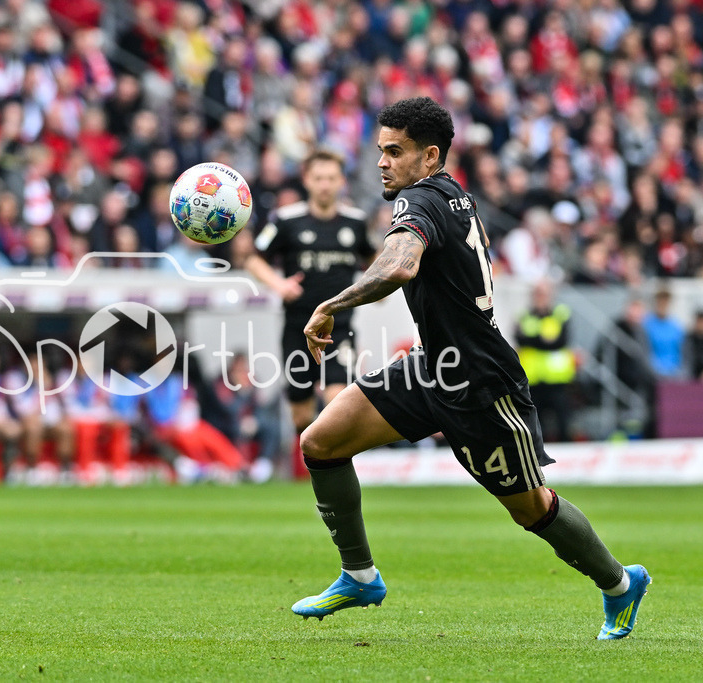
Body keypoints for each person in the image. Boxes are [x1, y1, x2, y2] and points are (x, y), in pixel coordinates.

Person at [295, 97, 648, 640]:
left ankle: (621, 585)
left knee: (532, 509)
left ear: (429, 156)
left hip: (482, 385)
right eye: (380, 151)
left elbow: (400, 264)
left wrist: (332, 305)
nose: (382, 163)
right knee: (321, 442)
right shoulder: (449, 195)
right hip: (435, 366)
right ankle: (359, 575)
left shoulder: (422, 199)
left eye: (395, 151)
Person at [245, 149, 374, 481]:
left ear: (341, 181)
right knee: (302, 416)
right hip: (297, 328)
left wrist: (376, 288)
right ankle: (313, 465)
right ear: (306, 180)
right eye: (319, 178)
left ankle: (336, 474)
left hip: (338, 329)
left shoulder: (355, 223)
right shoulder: (286, 221)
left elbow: (374, 263)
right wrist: (279, 284)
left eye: (332, 178)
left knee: (335, 401)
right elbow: (253, 259)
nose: (325, 185)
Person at [515, 280, 577, 442]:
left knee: (563, 422)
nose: (541, 297)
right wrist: (544, 340)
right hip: (533, 379)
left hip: (557, 379)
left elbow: (561, 341)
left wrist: (533, 340)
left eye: (544, 294)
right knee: (535, 424)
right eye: (538, 293)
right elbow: (520, 339)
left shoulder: (560, 314)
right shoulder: (525, 316)